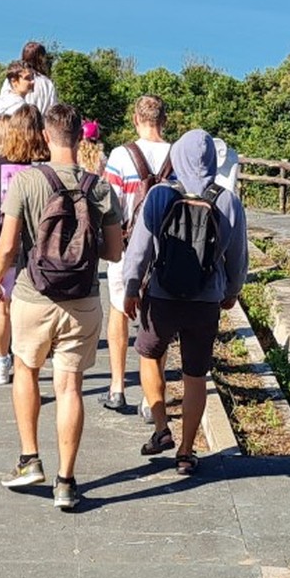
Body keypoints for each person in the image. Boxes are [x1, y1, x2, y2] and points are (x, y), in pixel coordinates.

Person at [0, 103, 123, 510]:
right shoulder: (100, 188)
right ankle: (66, 482)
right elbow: (114, 252)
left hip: (33, 296)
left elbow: (9, 246)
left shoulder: (27, 182)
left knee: (26, 370)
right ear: (81, 138)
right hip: (82, 301)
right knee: (70, 387)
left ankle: (30, 460)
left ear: (46, 136)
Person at [122, 129, 248, 477]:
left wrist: (132, 287)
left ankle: (161, 427)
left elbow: (140, 249)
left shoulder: (161, 194)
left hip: (162, 295)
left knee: (148, 355)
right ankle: (186, 451)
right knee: (196, 375)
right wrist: (231, 291)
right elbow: (237, 256)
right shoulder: (227, 200)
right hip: (205, 300)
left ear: (176, 157)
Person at [98, 95, 172, 415]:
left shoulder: (120, 156)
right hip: (167, 251)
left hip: (126, 248)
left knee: (119, 312)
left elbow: (108, 205)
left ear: (135, 119)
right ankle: (150, 398)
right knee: (158, 322)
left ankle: (117, 386)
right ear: (164, 120)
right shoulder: (177, 155)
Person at [0, 105, 49, 383]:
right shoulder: (47, 163)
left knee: (3, 305)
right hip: (41, 245)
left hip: (6, 242)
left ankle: (2, 362)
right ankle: (28, 361)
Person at [0, 42, 57, 117]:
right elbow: (52, 110)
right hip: (36, 124)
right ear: (41, 59)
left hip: (11, 123)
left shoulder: (13, 78)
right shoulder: (47, 83)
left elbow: (1, 105)